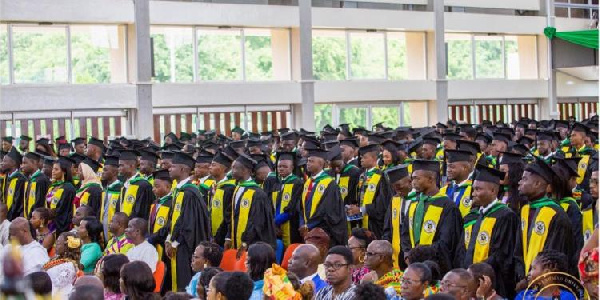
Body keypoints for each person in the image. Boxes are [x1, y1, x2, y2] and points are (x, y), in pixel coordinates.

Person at [515, 158, 577, 281]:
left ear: (538, 184)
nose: (519, 182)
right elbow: (518, 250)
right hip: (525, 281)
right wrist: (522, 275)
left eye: (524, 179)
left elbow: (555, 254)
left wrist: (533, 278)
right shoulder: (525, 210)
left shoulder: (556, 214)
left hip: (547, 282)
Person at [462, 164, 519, 298]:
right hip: (470, 280)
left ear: (493, 191)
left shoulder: (505, 216)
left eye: (478, 189)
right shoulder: (474, 216)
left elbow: (502, 254)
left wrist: (476, 273)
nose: (473, 193)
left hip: (493, 281)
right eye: (473, 189)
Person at [401, 160, 463, 270]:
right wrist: (407, 254)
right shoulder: (414, 203)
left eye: (417, 178)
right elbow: (405, 232)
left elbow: (447, 241)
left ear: (430, 179)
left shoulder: (447, 206)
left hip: (437, 266)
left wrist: (421, 255)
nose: (413, 182)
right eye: (412, 178)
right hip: (413, 265)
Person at [164, 151, 211, 292]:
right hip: (176, 244)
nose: (169, 169)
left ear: (183, 169)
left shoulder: (190, 193)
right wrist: (168, 238)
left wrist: (174, 242)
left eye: (173, 166)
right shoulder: (179, 191)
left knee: (184, 281)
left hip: (185, 245)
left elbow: (188, 223)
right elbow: (174, 219)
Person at [225, 154, 276, 250]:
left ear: (245, 171)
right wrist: (228, 237)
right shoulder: (238, 188)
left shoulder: (258, 194)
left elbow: (256, 222)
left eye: (235, 168)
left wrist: (245, 242)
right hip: (236, 241)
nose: (231, 172)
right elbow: (232, 216)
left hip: (252, 245)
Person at [299, 147, 347, 246]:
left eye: (311, 161)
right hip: (307, 230)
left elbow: (327, 210)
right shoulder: (308, 182)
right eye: (308, 161)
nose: (308, 163)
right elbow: (301, 207)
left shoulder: (330, 183)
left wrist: (308, 225)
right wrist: (302, 224)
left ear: (320, 164)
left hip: (323, 231)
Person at [347, 143, 391, 238]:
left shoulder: (382, 176)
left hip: (375, 224)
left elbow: (382, 204)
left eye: (365, 157)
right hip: (360, 221)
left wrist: (361, 209)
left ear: (374, 158)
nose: (361, 159)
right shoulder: (361, 175)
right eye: (361, 157)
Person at [381, 165, 412, 268]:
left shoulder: (419, 200)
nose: (397, 191)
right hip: (396, 250)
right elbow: (387, 227)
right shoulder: (395, 200)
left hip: (412, 250)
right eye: (394, 188)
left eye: (399, 186)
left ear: (409, 181)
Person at [272, 151, 304, 247]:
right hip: (276, 225)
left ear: (292, 167)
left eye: (285, 167)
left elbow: (294, 207)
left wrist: (275, 222)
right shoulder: (276, 183)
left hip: (291, 224)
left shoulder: (297, 183)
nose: (281, 169)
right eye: (279, 166)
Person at [207, 151, 235, 246]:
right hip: (212, 235)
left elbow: (228, 215)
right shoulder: (214, 186)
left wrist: (221, 237)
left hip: (224, 237)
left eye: (213, 165)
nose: (210, 167)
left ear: (223, 168)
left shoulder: (230, 188)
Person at [118, 150, 154, 220]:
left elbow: (143, 212)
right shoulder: (124, 185)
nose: (119, 168)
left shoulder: (144, 185)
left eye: (121, 165)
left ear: (131, 166)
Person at [43, 232, 81, 297]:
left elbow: (59, 285)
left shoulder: (69, 266)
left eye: (58, 243)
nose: (55, 246)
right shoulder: (55, 259)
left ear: (66, 247)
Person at [440, 150, 474, 217]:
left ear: (464, 168)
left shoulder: (473, 191)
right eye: (447, 166)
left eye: (452, 167)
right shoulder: (443, 190)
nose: (448, 170)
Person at [47, 156, 77, 236]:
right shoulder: (53, 186)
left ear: (64, 171)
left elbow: (64, 211)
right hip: (48, 223)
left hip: (59, 225)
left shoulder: (68, 188)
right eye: (53, 169)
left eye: (56, 169)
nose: (53, 171)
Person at [21, 151, 50, 219]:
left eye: (25, 163)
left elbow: (39, 203)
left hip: (37, 219)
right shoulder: (29, 179)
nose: (22, 166)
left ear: (34, 163)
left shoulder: (41, 180)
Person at [101, 155, 123, 242]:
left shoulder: (121, 189)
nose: (103, 172)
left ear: (114, 172)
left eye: (106, 170)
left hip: (115, 232)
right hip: (104, 230)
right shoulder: (105, 189)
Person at [2, 147, 26, 220]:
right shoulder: (6, 177)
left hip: (15, 217)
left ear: (13, 163)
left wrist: (9, 216)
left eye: (5, 161)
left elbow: (18, 202)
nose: (2, 163)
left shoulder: (21, 179)